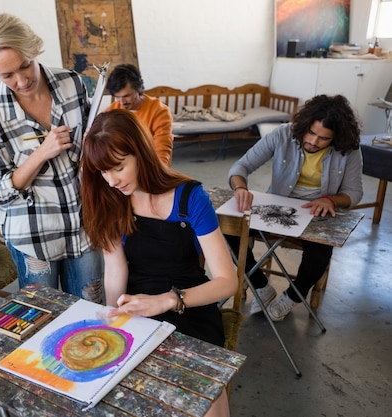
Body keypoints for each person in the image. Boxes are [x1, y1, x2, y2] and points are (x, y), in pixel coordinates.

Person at [81, 109, 237, 417]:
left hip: (190, 306)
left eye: (119, 167)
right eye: (103, 171)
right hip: (138, 307)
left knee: (205, 392)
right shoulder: (111, 199)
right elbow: (116, 270)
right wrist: (116, 319)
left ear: (140, 153)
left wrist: (170, 300)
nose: (111, 181)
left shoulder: (189, 195)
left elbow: (227, 281)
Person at [0, 13, 103, 302]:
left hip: (85, 225)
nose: (21, 81)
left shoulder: (72, 83)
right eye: (7, 76)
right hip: (34, 236)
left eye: (25, 66)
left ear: (33, 51)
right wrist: (41, 153)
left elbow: (91, 146)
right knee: (43, 318)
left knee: (91, 311)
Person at [226, 94, 363, 321]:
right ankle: (260, 285)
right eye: (311, 133)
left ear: (336, 138)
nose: (313, 142)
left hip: (317, 211)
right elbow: (242, 166)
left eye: (323, 138)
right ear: (304, 125)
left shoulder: (348, 148)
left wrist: (330, 200)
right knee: (229, 229)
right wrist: (240, 187)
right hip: (277, 203)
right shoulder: (284, 134)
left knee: (321, 250)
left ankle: (293, 296)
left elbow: (354, 192)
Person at [104, 63, 174, 165]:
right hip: (120, 169)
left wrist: (158, 174)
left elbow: (162, 148)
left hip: (150, 167)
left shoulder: (159, 111)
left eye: (127, 96)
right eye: (117, 97)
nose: (122, 102)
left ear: (139, 89)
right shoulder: (110, 112)